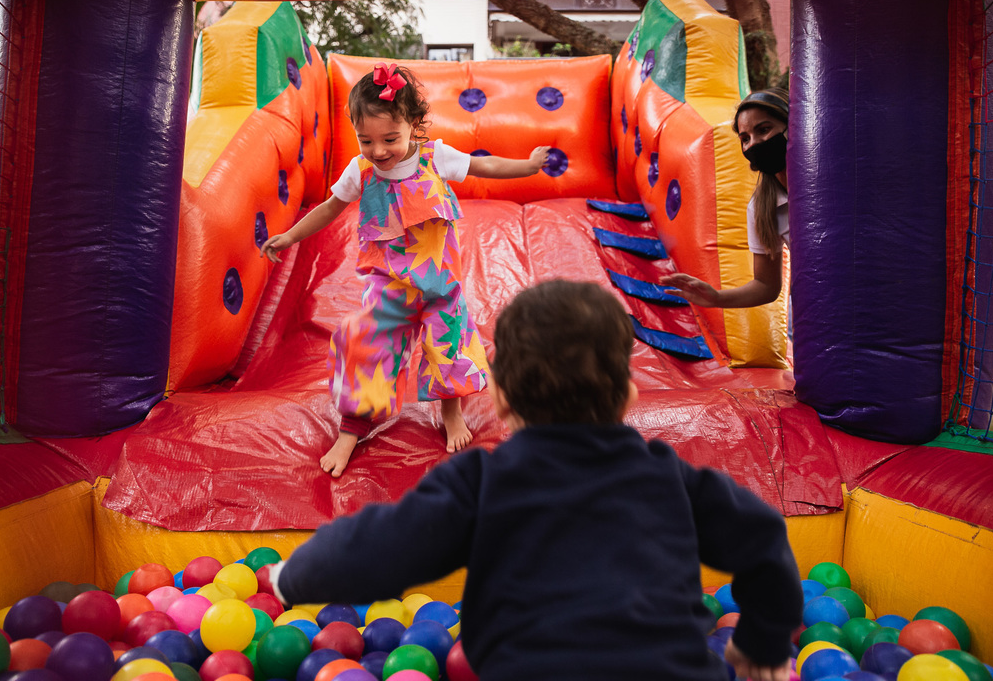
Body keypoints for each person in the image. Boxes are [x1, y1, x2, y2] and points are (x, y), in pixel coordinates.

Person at [267, 279, 803, 681]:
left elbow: (381, 546)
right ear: (629, 396)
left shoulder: (483, 482)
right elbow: (761, 537)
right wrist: (763, 643)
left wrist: (295, 575)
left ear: (498, 397)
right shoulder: (671, 478)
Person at [261, 63, 548, 477]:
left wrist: (527, 166)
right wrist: (290, 236)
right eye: (366, 140)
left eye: (389, 139)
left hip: (439, 283)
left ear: (414, 124)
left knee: (448, 346)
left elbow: (484, 167)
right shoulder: (360, 172)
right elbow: (329, 208)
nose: (378, 151)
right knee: (368, 346)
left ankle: (451, 412)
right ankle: (352, 428)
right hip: (389, 283)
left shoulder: (436, 158)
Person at [660, 88, 790, 308]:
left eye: (764, 130)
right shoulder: (762, 207)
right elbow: (766, 285)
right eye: (745, 138)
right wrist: (717, 298)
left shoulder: (833, 178)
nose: (755, 143)